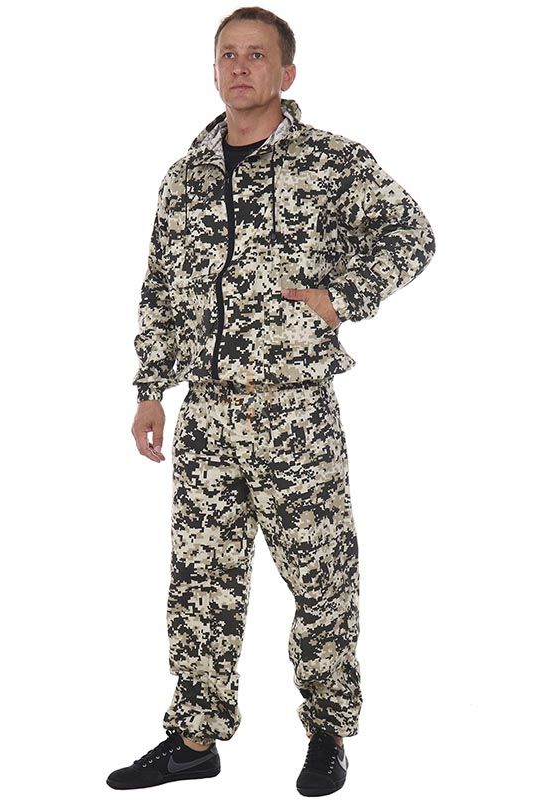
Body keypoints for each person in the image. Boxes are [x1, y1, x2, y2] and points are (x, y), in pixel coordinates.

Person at [106, 6, 435, 796]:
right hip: (206, 412)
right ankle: (195, 739)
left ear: (286, 73)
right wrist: (150, 389)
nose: (240, 66)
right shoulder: (185, 176)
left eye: (257, 55)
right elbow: (162, 291)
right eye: (228, 54)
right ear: (214, 69)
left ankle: (327, 733)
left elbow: (413, 236)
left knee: (320, 578)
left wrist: (341, 297)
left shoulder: (331, 161)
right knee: (201, 580)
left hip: (293, 412)